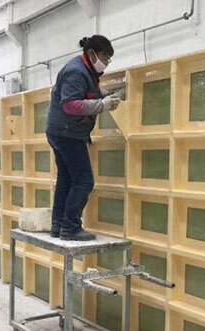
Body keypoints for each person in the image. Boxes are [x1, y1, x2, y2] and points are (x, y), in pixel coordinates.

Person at [45, 35, 121, 241]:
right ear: (92, 54)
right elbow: (70, 104)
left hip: (60, 131)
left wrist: (105, 94)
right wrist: (102, 105)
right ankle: (70, 227)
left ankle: (58, 225)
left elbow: (87, 92)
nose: (107, 63)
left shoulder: (85, 70)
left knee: (66, 179)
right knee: (84, 180)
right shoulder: (76, 71)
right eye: (104, 58)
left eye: (108, 59)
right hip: (67, 133)